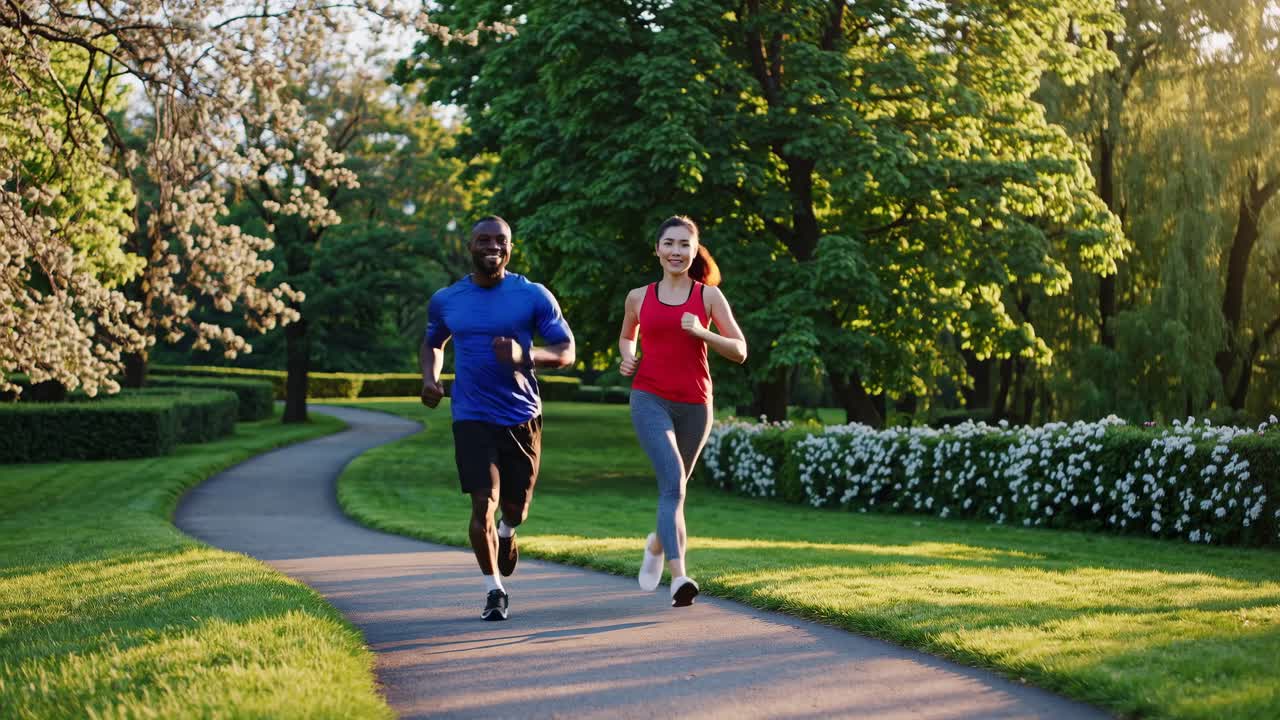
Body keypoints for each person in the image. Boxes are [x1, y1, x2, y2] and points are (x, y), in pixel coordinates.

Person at [420, 215, 575, 621]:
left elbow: (565, 351)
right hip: (471, 415)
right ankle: (494, 591)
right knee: (481, 503)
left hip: (522, 415)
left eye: (501, 240)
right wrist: (430, 378)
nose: (493, 246)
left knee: (515, 508)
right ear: (469, 246)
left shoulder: (533, 295)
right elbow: (433, 342)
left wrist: (526, 356)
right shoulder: (447, 299)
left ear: (510, 247)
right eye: (484, 240)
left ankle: (509, 531)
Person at [618, 215, 747, 607]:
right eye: (669, 244)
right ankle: (680, 577)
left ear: (695, 251)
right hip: (649, 398)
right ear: (657, 249)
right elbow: (627, 336)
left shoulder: (708, 297)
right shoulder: (638, 296)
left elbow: (740, 349)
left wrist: (704, 332)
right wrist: (627, 357)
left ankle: (656, 543)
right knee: (672, 480)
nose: (677, 251)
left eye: (684, 245)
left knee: (674, 493)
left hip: (695, 404)